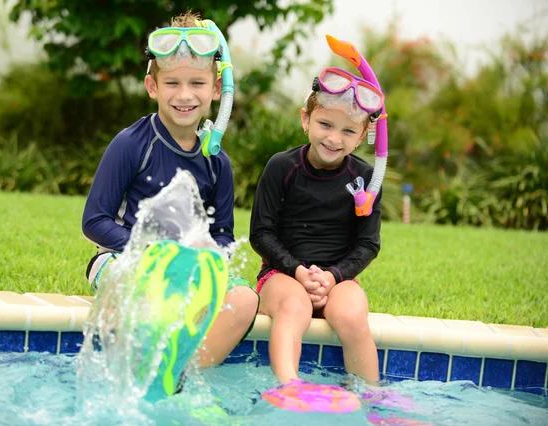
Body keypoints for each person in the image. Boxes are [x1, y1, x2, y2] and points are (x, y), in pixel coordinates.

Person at [81, 10, 259, 374]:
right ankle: (132, 375)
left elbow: (223, 234)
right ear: (153, 87)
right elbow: (94, 221)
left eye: (196, 84)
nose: (184, 95)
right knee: (130, 291)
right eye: (173, 84)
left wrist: (205, 262)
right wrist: (151, 253)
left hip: (188, 269)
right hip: (125, 258)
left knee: (243, 300)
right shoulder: (131, 144)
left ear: (215, 89)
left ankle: (179, 378)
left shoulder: (217, 162)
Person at [249, 42, 387, 386]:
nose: (333, 138)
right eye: (325, 124)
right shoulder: (282, 167)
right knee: (294, 307)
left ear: (363, 136)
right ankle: (288, 387)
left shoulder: (367, 178)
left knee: (353, 313)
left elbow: (367, 244)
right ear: (306, 119)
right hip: (281, 275)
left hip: (337, 279)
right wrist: (297, 271)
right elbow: (261, 233)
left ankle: (370, 398)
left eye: (347, 131)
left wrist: (334, 277)